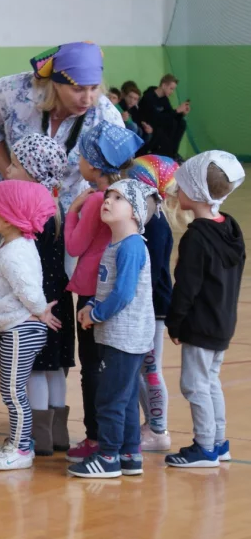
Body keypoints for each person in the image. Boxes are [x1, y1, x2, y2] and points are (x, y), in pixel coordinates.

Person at [0, 41, 123, 414]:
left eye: (93, 88)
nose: (87, 97)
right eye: (77, 89)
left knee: (56, 293)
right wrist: (8, 170)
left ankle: (48, 397)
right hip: (5, 213)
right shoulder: (12, 90)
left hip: (64, 220)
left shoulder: (103, 113)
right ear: (55, 82)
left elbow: (119, 164)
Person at [69, 179, 158, 478]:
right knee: (126, 396)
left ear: (135, 211)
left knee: (110, 398)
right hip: (119, 335)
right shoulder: (117, 243)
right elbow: (109, 288)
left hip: (125, 337)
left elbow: (123, 294)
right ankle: (129, 453)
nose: (108, 200)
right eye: (109, 195)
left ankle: (108, 457)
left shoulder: (131, 246)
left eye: (119, 198)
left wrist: (96, 312)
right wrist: (92, 303)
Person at [65, 122, 142, 463]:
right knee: (110, 372)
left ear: (94, 166)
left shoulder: (98, 200)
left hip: (93, 295)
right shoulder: (126, 198)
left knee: (94, 370)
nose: (77, 160)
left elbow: (74, 244)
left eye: (81, 156)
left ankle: (99, 439)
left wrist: (71, 212)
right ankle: (124, 445)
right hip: (106, 295)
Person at [165, 151, 245, 468]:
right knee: (211, 382)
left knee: (194, 385)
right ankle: (218, 442)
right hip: (223, 321)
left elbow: (187, 287)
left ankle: (204, 447)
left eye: (181, 186)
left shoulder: (196, 237)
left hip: (200, 324)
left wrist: (175, 323)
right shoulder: (231, 228)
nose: (177, 192)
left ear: (195, 191)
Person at [0, 180, 59, 470]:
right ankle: (17, 441)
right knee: (14, 390)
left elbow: (27, 288)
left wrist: (40, 310)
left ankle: (22, 449)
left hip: (20, 328)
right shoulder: (16, 244)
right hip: (18, 327)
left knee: (13, 392)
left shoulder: (14, 252)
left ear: (9, 217)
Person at [4, 134, 73, 455]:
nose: (7, 169)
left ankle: (39, 437)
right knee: (55, 367)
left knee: (35, 367)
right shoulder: (56, 205)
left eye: (15, 165)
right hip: (60, 301)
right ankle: (59, 434)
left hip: (38, 304)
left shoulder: (31, 212)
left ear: (33, 172)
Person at [127, 155, 179, 451]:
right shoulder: (149, 218)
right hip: (149, 305)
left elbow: (152, 268)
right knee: (145, 367)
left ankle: (158, 430)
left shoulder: (155, 224)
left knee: (150, 367)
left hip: (153, 307)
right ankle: (151, 426)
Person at [137, 74, 190, 160]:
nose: (172, 92)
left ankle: (173, 153)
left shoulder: (164, 100)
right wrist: (176, 111)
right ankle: (168, 155)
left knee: (181, 123)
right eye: (171, 88)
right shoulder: (149, 97)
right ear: (164, 85)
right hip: (149, 125)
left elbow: (170, 114)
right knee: (169, 125)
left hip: (159, 125)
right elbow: (155, 117)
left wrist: (182, 113)